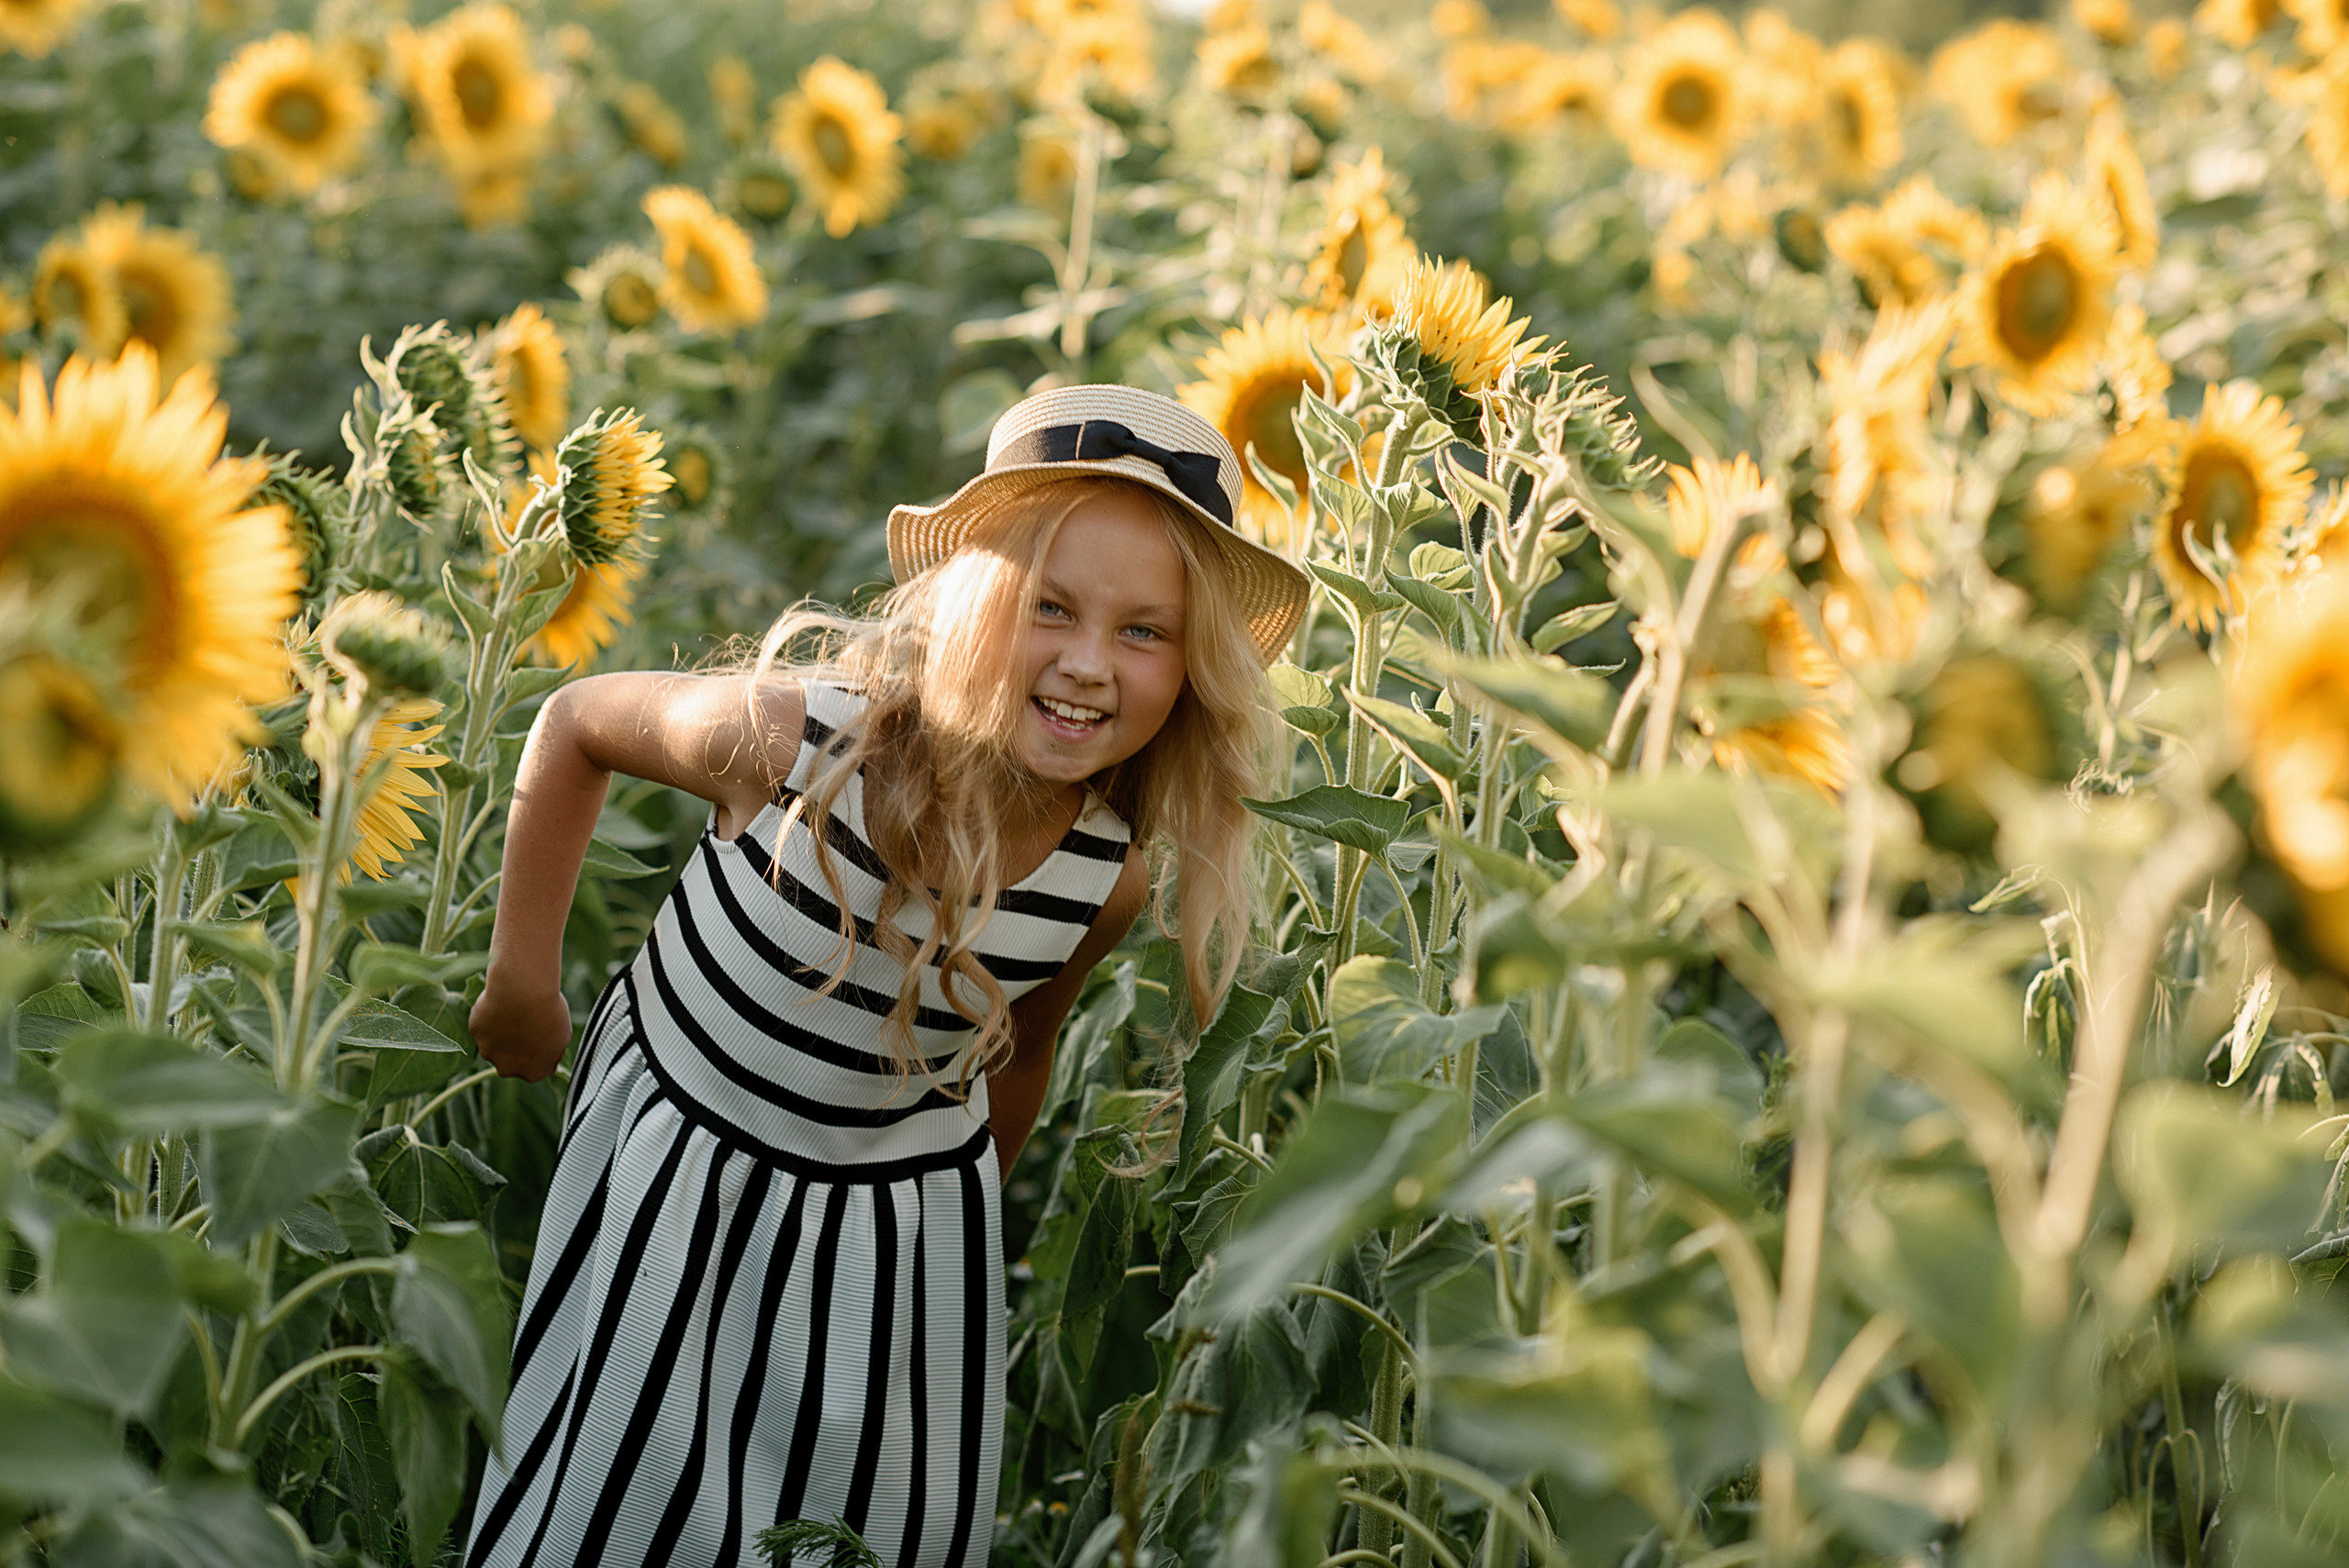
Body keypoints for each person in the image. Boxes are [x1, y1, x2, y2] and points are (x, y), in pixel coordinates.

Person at [460, 384, 1309, 1567]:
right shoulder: (800, 745)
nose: (1087, 664)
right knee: (614, 1490)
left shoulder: (1101, 877)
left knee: (848, 1521)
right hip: (689, 1163)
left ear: (1194, 668)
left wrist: (948, 1230)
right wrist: (523, 985)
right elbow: (575, 724)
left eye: (1144, 632)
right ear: (969, 603)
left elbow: (1020, 1049)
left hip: (887, 1230)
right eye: (1048, 607)